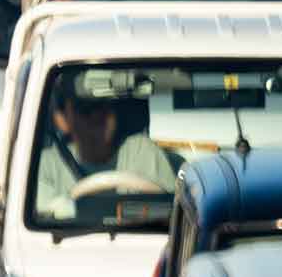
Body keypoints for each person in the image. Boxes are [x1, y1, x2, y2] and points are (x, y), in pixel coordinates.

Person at [34, 73, 176, 220]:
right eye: (85, 109)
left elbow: (170, 215)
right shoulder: (44, 165)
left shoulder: (143, 151)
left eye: (103, 106)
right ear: (62, 120)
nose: (96, 116)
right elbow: (41, 223)